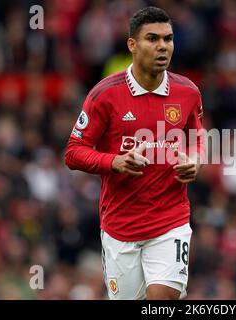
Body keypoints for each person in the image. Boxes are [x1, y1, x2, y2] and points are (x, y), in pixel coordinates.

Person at [64, 6, 205, 300]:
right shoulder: (104, 95)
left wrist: (195, 159)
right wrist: (114, 161)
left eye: (168, 39)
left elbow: (197, 136)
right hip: (120, 227)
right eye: (152, 38)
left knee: (161, 298)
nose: (162, 46)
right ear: (132, 45)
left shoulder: (188, 92)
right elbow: (73, 152)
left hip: (171, 221)